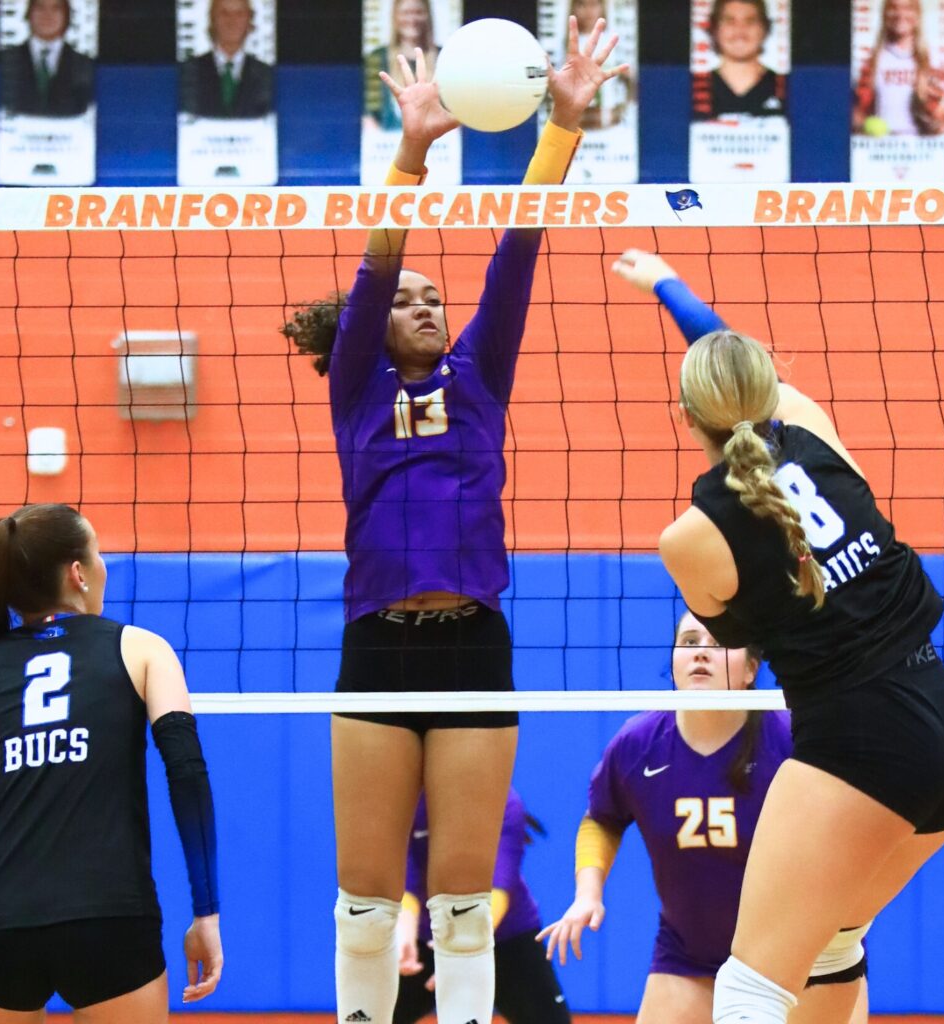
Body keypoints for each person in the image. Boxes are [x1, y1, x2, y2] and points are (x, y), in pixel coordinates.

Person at [282, 18, 623, 1024]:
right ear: (374, 324)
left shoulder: (478, 378)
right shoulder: (354, 387)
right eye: (410, 299)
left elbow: (515, 254)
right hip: (376, 646)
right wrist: (410, 152)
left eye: (438, 297)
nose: (427, 305)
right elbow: (375, 272)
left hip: (472, 641)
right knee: (365, 903)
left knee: (464, 905)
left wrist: (559, 129)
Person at [612, 248, 944, 1024]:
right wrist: (670, 285)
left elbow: (744, 639)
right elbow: (734, 352)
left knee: (748, 989)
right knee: (834, 941)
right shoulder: (814, 428)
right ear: (774, 392)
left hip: (860, 738)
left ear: (684, 418)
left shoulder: (689, 538)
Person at [0, 503, 223, 1020]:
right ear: (77, 572)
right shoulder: (142, 649)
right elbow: (187, 776)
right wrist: (206, 911)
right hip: (111, 918)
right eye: (97, 552)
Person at [537, 611, 868, 1024]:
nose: (701, 654)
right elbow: (602, 818)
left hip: (799, 962)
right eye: (690, 642)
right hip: (689, 960)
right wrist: (587, 893)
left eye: (719, 642)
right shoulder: (638, 745)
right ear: (674, 662)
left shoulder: (791, 740)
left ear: (751, 669)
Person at [396, 789, 571, 1023]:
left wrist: (464, 951)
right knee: (373, 1014)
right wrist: (404, 938)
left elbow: (498, 888)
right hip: (426, 938)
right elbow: (406, 881)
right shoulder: (406, 803)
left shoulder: (503, 802)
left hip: (504, 936)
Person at [852, 0, 944, 136]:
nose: (900, 14)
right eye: (893, 8)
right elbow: (857, 113)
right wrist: (861, 125)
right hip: (879, 150)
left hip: (924, 151)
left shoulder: (933, 61)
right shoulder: (872, 62)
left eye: (908, 8)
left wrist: (939, 123)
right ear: (884, 14)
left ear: (917, 15)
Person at [179, 0, 274, 119]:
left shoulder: (268, 76)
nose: (232, 21)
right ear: (212, 19)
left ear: (249, 21)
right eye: (224, 13)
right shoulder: (187, 72)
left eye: (239, 14)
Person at [692, 0, 786, 121]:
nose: (740, 31)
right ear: (714, 29)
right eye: (730, 22)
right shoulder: (693, 87)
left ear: (765, 29)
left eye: (750, 21)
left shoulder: (786, 87)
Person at [0, 0, 94, 118]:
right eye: (40, 7)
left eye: (56, 8)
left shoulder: (86, 66)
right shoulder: (3, 62)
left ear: (67, 15)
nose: (47, 14)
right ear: (29, 12)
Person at [364, 0, 440, 132]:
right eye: (406, 13)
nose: (412, 19)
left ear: (428, 15)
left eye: (418, 12)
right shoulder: (376, 58)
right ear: (395, 16)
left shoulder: (443, 56)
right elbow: (368, 117)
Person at [558, 0, 633, 131]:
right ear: (573, 7)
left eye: (593, 4)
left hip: (608, 115)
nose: (588, 10)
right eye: (582, 4)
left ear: (602, 6)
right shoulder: (568, 43)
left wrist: (622, 108)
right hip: (578, 117)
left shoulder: (613, 40)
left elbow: (629, 78)